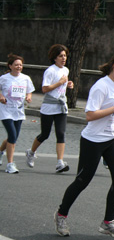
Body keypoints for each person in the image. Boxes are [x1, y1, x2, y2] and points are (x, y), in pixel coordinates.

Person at [53, 51, 114, 238]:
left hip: (113, 138)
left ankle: (108, 222)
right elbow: (90, 115)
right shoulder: (101, 86)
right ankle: (61, 214)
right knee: (83, 180)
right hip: (94, 140)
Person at [25, 44, 73, 173]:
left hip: (61, 106)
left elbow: (62, 84)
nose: (63, 58)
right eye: (60, 56)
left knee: (61, 134)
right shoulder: (50, 71)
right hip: (49, 106)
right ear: (54, 58)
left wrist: (68, 84)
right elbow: (45, 89)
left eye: (65, 56)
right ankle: (31, 152)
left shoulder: (66, 70)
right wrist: (60, 83)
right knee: (45, 134)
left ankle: (60, 162)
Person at [0, 54, 35, 174]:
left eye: (20, 65)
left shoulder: (26, 78)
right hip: (6, 111)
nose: (19, 67)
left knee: (13, 137)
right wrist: (1, 96)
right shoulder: (4, 78)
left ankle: (0, 152)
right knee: (12, 136)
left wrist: (28, 97)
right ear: (10, 66)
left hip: (18, 111)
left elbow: (29, 91)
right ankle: (10, 164)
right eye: (16, 65)